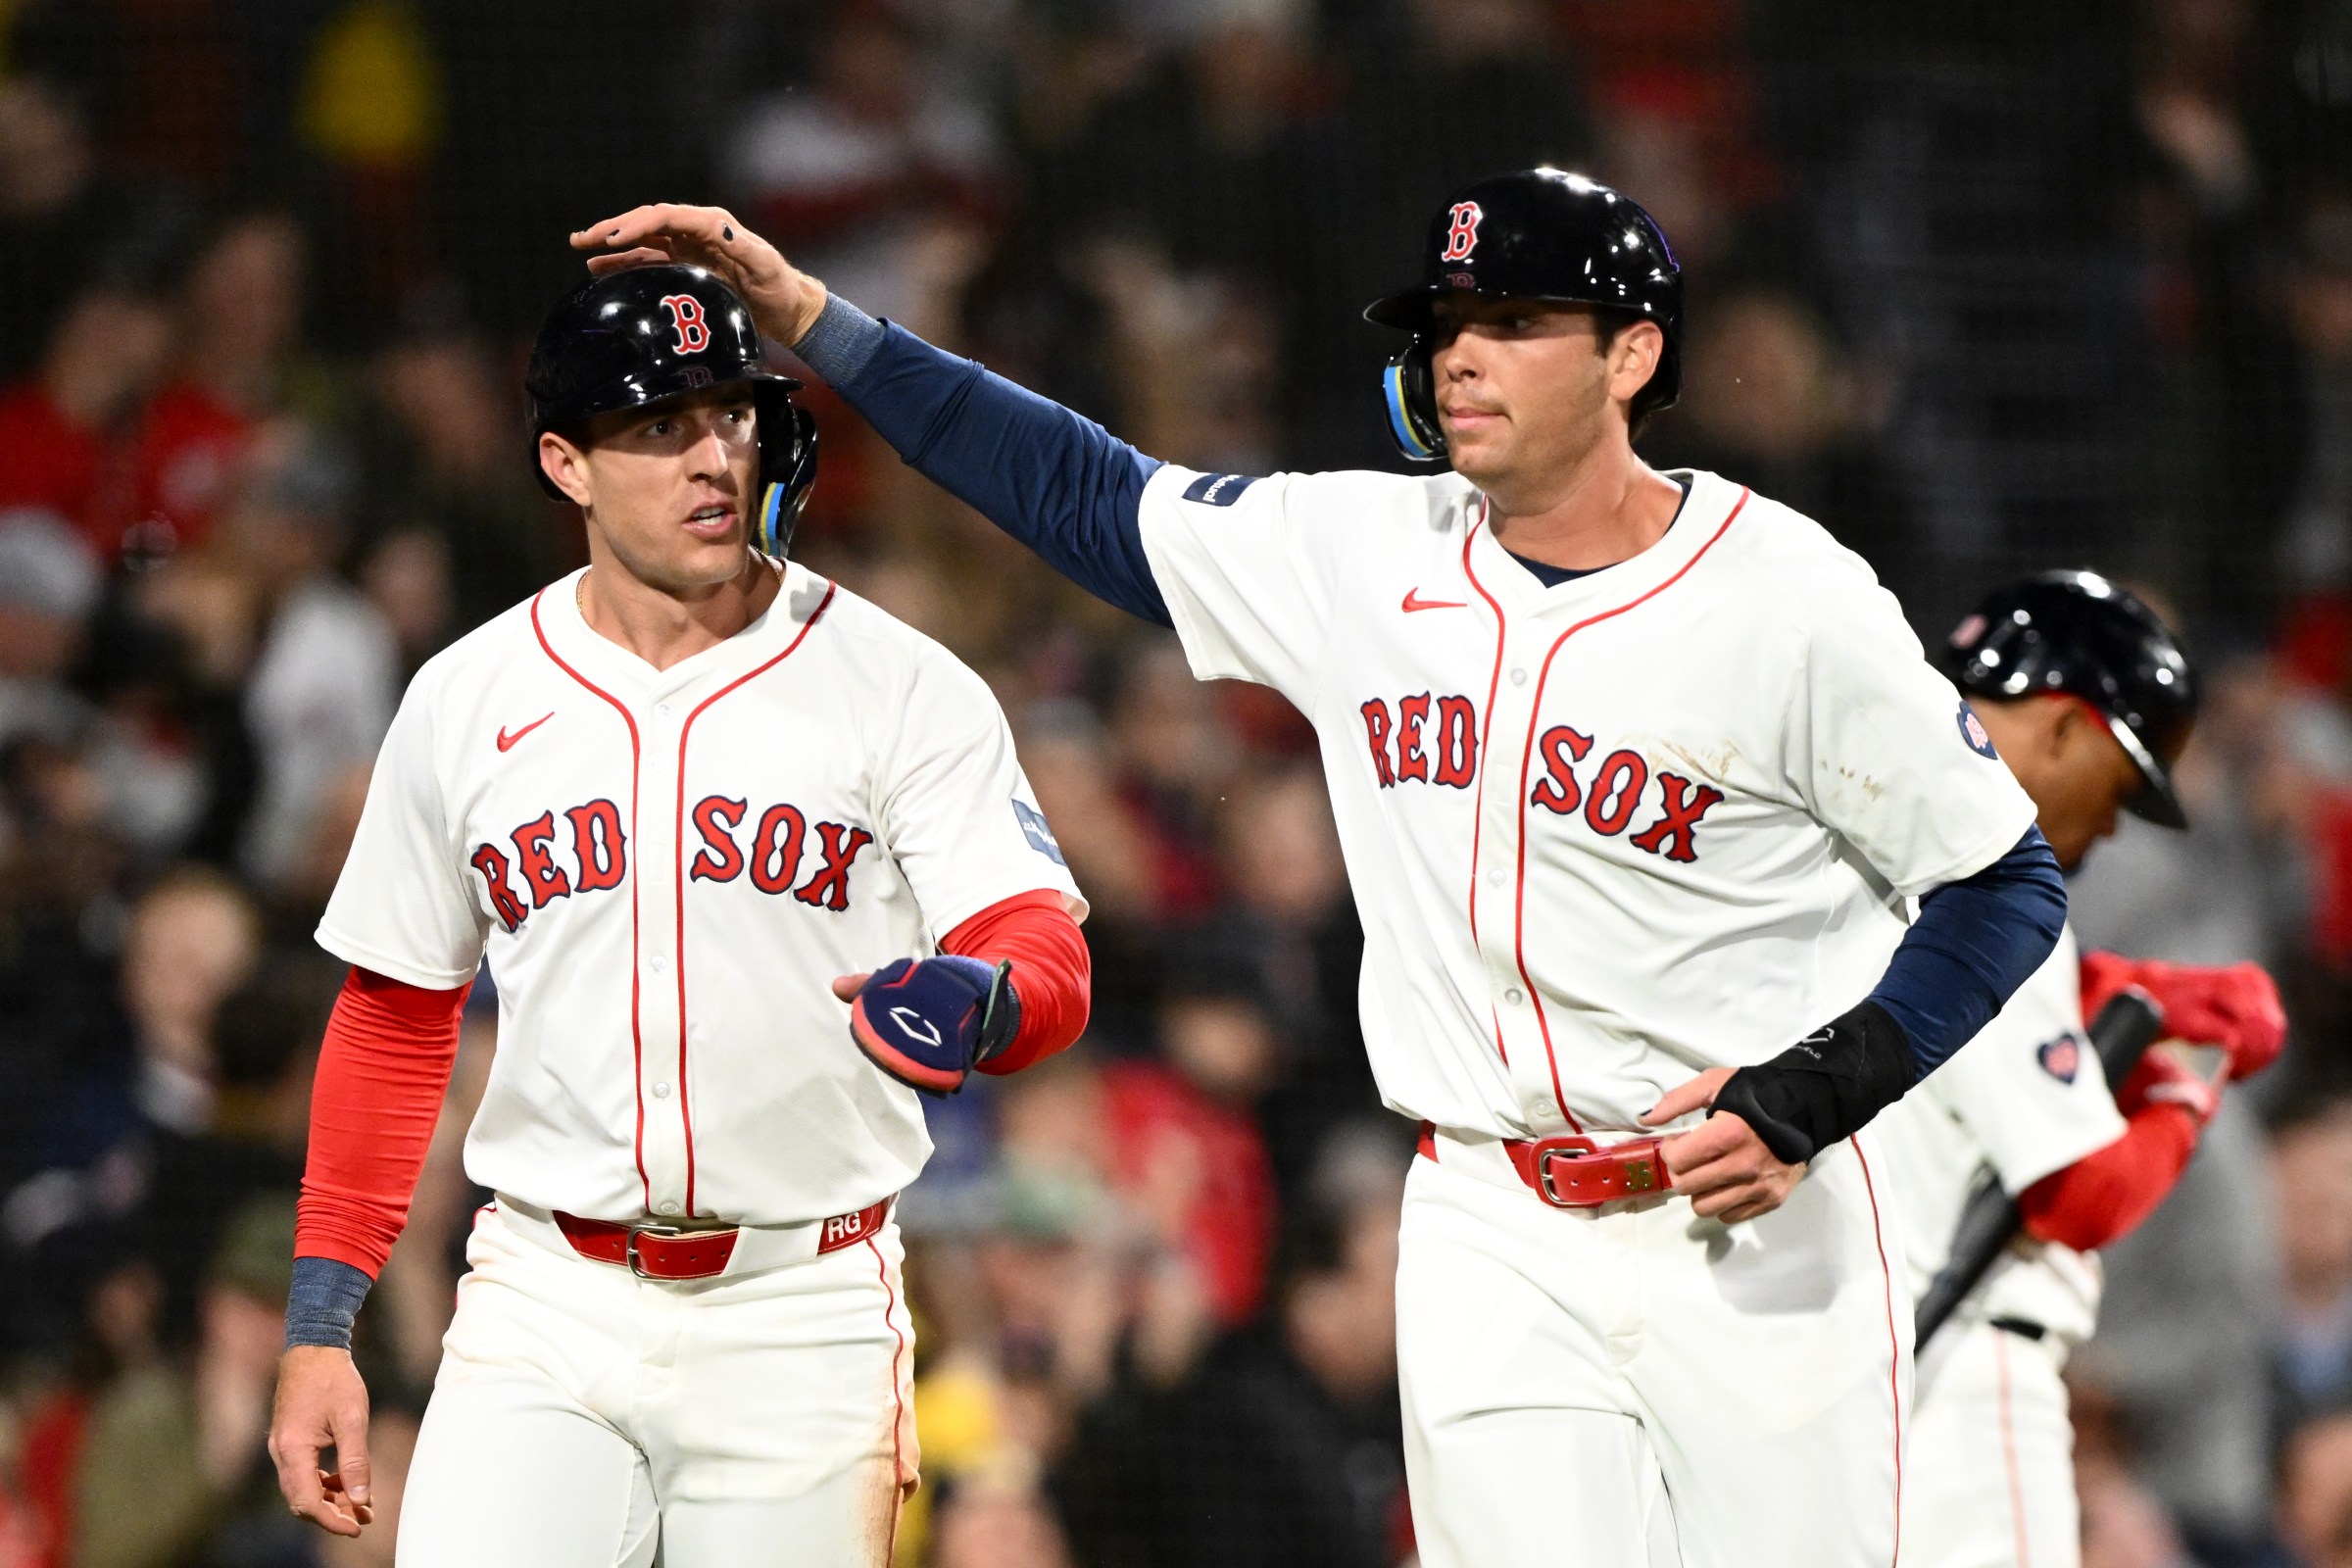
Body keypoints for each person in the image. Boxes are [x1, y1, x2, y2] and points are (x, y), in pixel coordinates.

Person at [574, 170, 2069, 1567]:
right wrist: (821, 325)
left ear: (1631, 359)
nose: (1462, 356)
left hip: (1752, 1229)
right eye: (1446, 327)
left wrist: (1815, 1090)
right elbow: (1083, 493)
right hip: (1489, 1221)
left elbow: (2004, 882)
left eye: (1514, 325)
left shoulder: (1788, 599)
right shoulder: (1366, 553)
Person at [264, 263, 1093, 1567]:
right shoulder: (465, 696)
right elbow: (393, 1013)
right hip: (545, 1297)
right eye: (660, 427)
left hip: (801, 1304)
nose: (714, 454)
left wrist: (982, 997)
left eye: (732, 414)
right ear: (566, 462)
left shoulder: (896, 683)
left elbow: (1042, 945)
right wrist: (320, 1322)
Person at [1881, 571, 2285, 1568]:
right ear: (2060, 728)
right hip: (1958, 1372)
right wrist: (2186, 1078)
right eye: (2120, 781)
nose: (2112, 826)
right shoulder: (1990, 875)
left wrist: (2124, 988)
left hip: (1837, 1373)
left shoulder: (1844, 822)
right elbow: (2083, 1194)